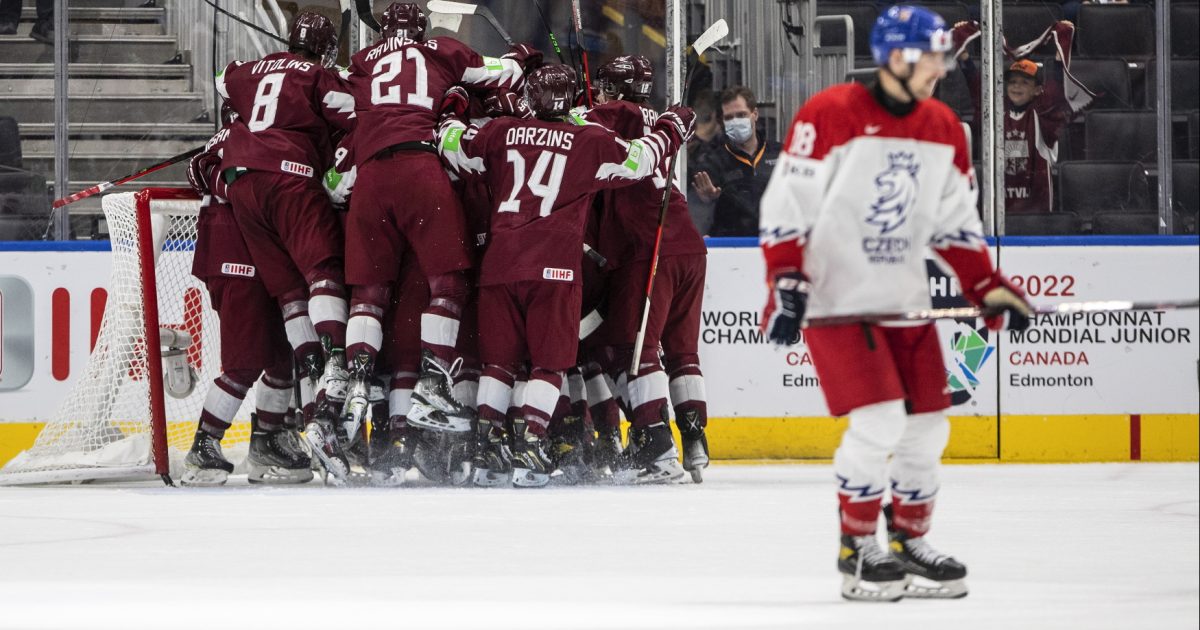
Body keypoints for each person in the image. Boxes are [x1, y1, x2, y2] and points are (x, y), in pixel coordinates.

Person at [758, 5, 1032, 601]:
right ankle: (857, 550)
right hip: (834, 303)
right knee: (880, 420)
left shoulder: (943, 129)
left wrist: (988, 288)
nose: (942, 66)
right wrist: (785, 281)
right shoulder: (829, 114)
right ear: (899, 56)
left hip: (902, 302)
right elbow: (788, 207)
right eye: (932, 55)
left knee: (928, 428)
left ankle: (909, 540)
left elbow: (956, 227)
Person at [436, 64, 693, 487]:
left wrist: (454, 103)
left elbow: (449, 143)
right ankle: (532, 441)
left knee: (499, 364)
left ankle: (486, 451)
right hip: (554, 269)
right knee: (549, 365)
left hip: (499, 266)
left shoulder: (502, 131)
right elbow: (641, 162)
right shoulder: (588, 140)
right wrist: (669, 128)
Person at [338, 2, 536, 441]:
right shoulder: (443, 50)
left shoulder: (361, 61)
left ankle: (356, 379)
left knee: (369, 292)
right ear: (422, 28)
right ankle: (432, 385)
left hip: (370, 175)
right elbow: (500, 74)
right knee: (447, 284)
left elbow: (337, 101)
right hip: (418, 168)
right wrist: (519, 59)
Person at [215, 11, 357, 483]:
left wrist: (237, 121)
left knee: (290, 292)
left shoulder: (245, 71)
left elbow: (222, 81)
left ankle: (310, 364)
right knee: (323, 274)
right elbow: (357, 113)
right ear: (323, 48)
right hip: (289, 178)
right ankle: (333, 362)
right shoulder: (319, 75)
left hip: (240, 186)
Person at [583, 54, 711, 483]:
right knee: (682, 352)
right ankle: (694, 442)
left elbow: (566, 124)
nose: (598, 94)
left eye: (603, 87)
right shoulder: (661, 117)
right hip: (689, 245)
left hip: (646, 247)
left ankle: (656, 450)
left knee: (633, 349)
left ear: (616, 90)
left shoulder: (611, 113)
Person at [181, 108, 313, 487]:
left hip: (262, 260)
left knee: (279, 360)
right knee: (244, 363)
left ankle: (268, 443)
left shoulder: (248, 142)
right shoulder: (235, 142)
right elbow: (203, 175)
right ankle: (203, 445)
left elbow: (200, 171)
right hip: (234, 261)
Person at [956, 23, 1075, 214]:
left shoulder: (1044, 117)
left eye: (1024, 82)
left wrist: (1063, 40)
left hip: (1037, 220)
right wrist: (962, 48)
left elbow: (1055, 87)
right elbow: (978, 88)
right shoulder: (998, 114)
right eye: (1012, 82)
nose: (1016, 87)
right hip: (1001, 218)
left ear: (1038, 90)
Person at [689, 86, 782, 236]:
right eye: (729, 117)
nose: (736, 121)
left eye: (741, 115)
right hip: (732, 248)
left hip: (775, 242)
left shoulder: (780, 154)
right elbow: (698, 216)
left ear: (755, 114)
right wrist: (709, 202)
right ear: (722, 121)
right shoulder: (711, 163)